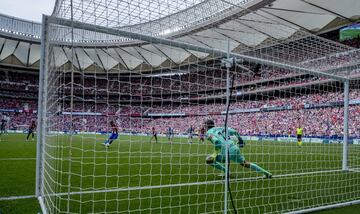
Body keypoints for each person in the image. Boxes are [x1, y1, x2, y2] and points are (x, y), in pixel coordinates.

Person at [204, 119, 272, 178]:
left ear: (206, 126)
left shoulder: (208, 133)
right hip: (234, 147)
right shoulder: (221, 128)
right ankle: (266, 173)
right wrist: (240, 141)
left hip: (226, 150)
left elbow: (216, 141)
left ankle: (227, 171)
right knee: (245, 163)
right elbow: (235, 132)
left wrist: (215, 153)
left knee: (209, 160)